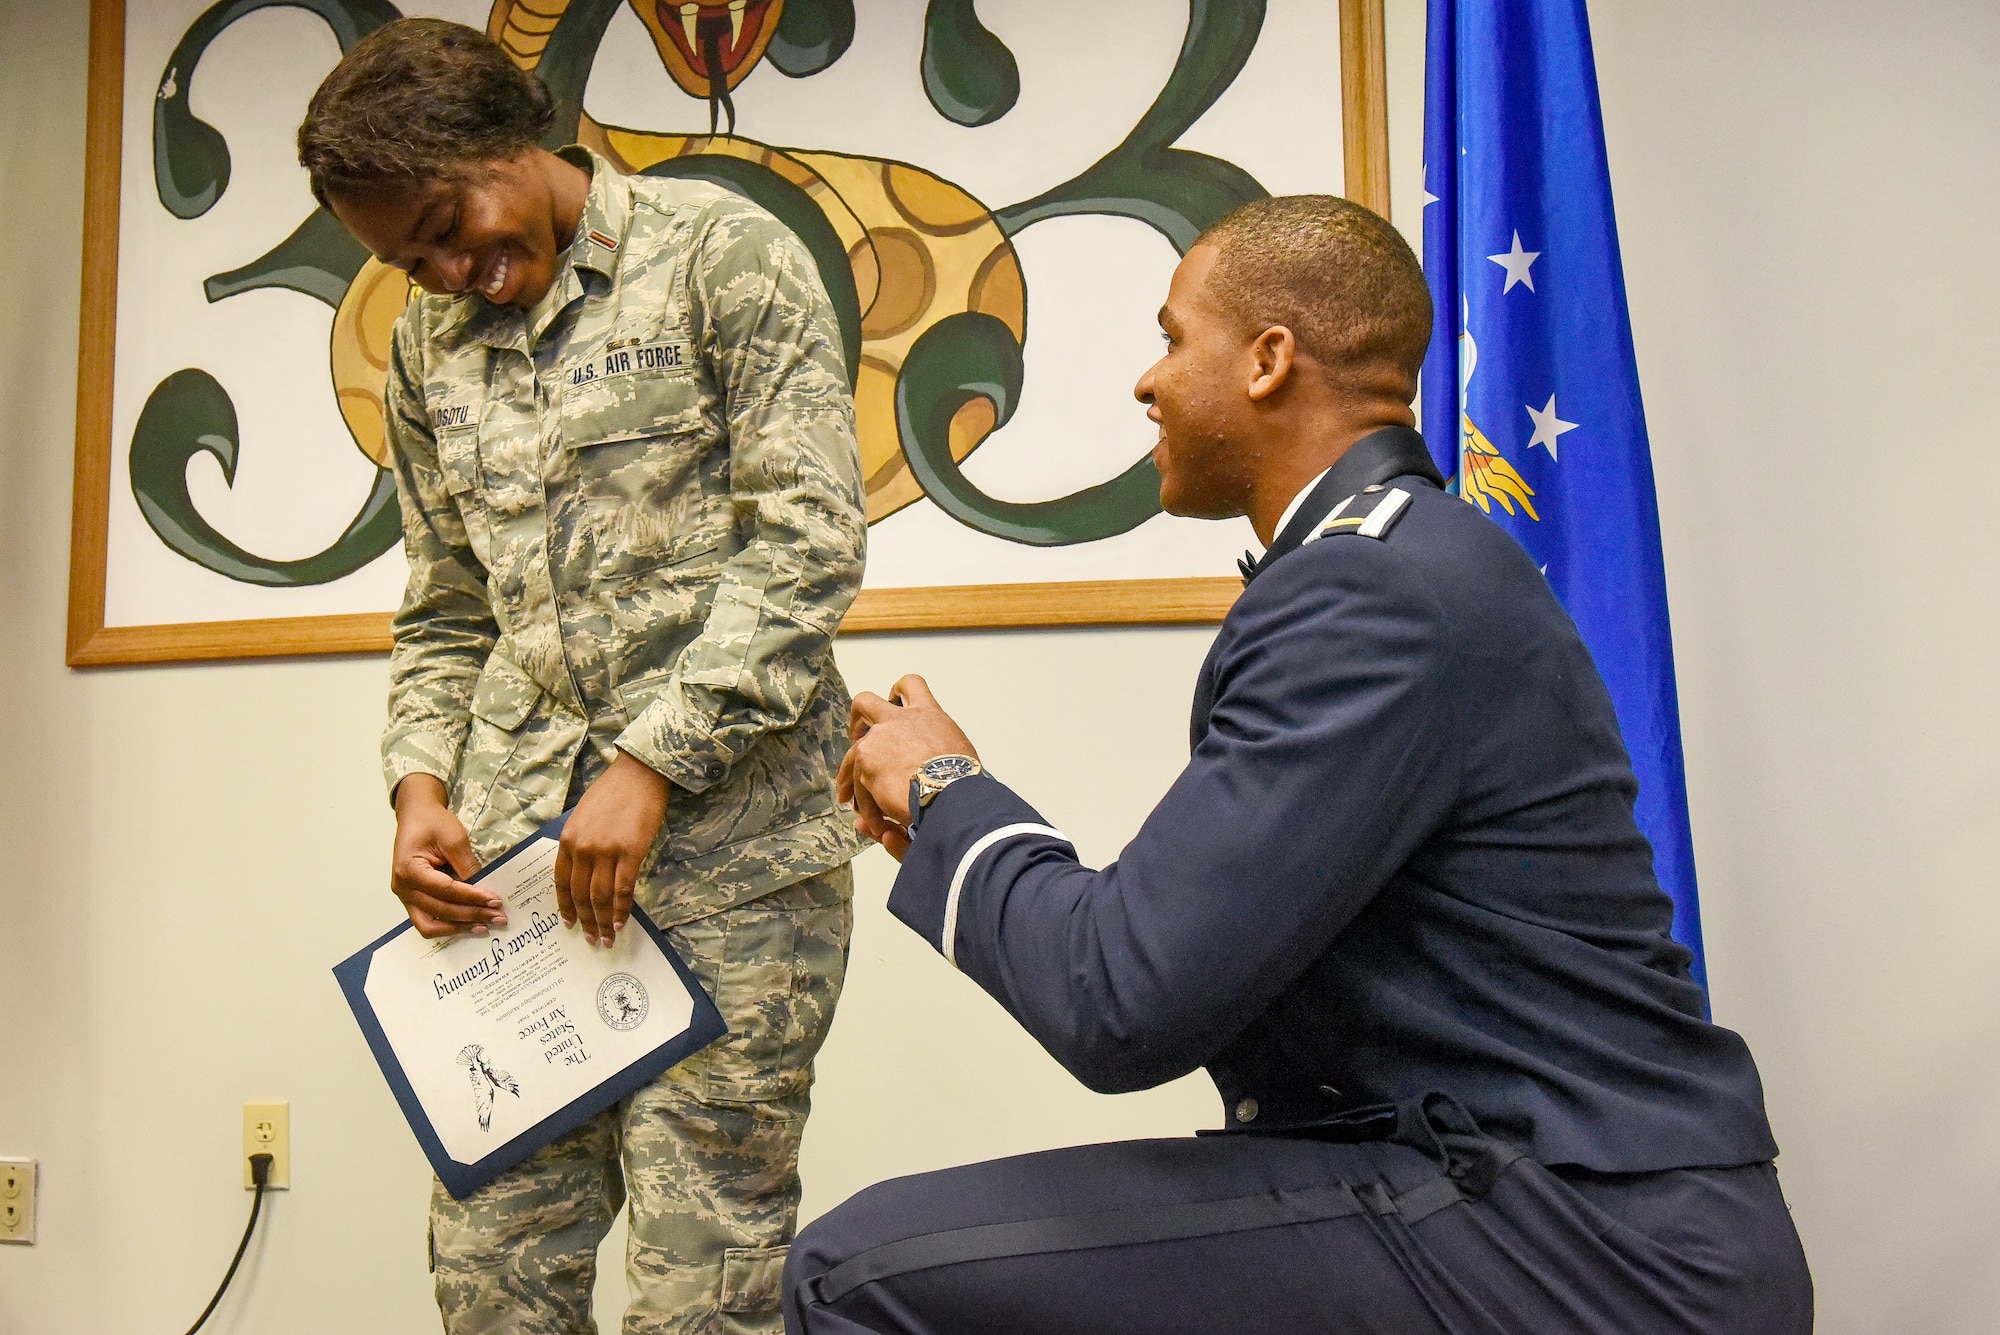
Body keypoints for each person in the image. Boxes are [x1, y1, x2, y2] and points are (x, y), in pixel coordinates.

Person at [794, 196, 1813, 1333]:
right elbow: (1169, 958)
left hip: (1584, 1245)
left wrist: (946, 796)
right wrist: (953, 818)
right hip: (1527, 1204)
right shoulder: (1398, 566)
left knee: (856, 1276)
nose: (1149, 380)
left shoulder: (1366, 592)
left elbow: (1119, 1003)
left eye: (1174, 338)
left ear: (1269, 360)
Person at [298, 18, 867, 1333]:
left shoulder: (721, 256)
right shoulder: (427, 344)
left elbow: (809, 538)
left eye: (451, 220)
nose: (450, 269)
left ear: (515, 131)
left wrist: (652, 758)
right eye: (408, 258)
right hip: (520, 885)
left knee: (702, 1290)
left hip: (740, 868)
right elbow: (445, 603)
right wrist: (418, 783)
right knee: (493, 1276)